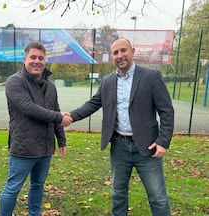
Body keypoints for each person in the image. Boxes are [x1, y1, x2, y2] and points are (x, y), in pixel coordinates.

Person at [68, 38, 174, 216]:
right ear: (112, 57)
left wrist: (163, 142)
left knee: (157, 197)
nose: (120, 56)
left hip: (148, 148)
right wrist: (70, 116)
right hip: (119, 147)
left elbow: (167, 112)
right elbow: (93, 104)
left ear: (133, 50)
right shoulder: (108, 81)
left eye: (123, 50)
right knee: (118, 194)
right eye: (115, 53)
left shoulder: (151, 77)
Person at [0, 41, 72, 216]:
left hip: (45, 148)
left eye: (41, 58)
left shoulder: (51, 86)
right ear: (25, 59)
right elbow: (29, 108)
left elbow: (54, 110)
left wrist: (61, 139)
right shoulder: (15, 82)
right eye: (33, 57)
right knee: (13, 188)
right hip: (24, 148)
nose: (37, 61)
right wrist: (59, 117)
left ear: (44, 61)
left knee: (38, 186)